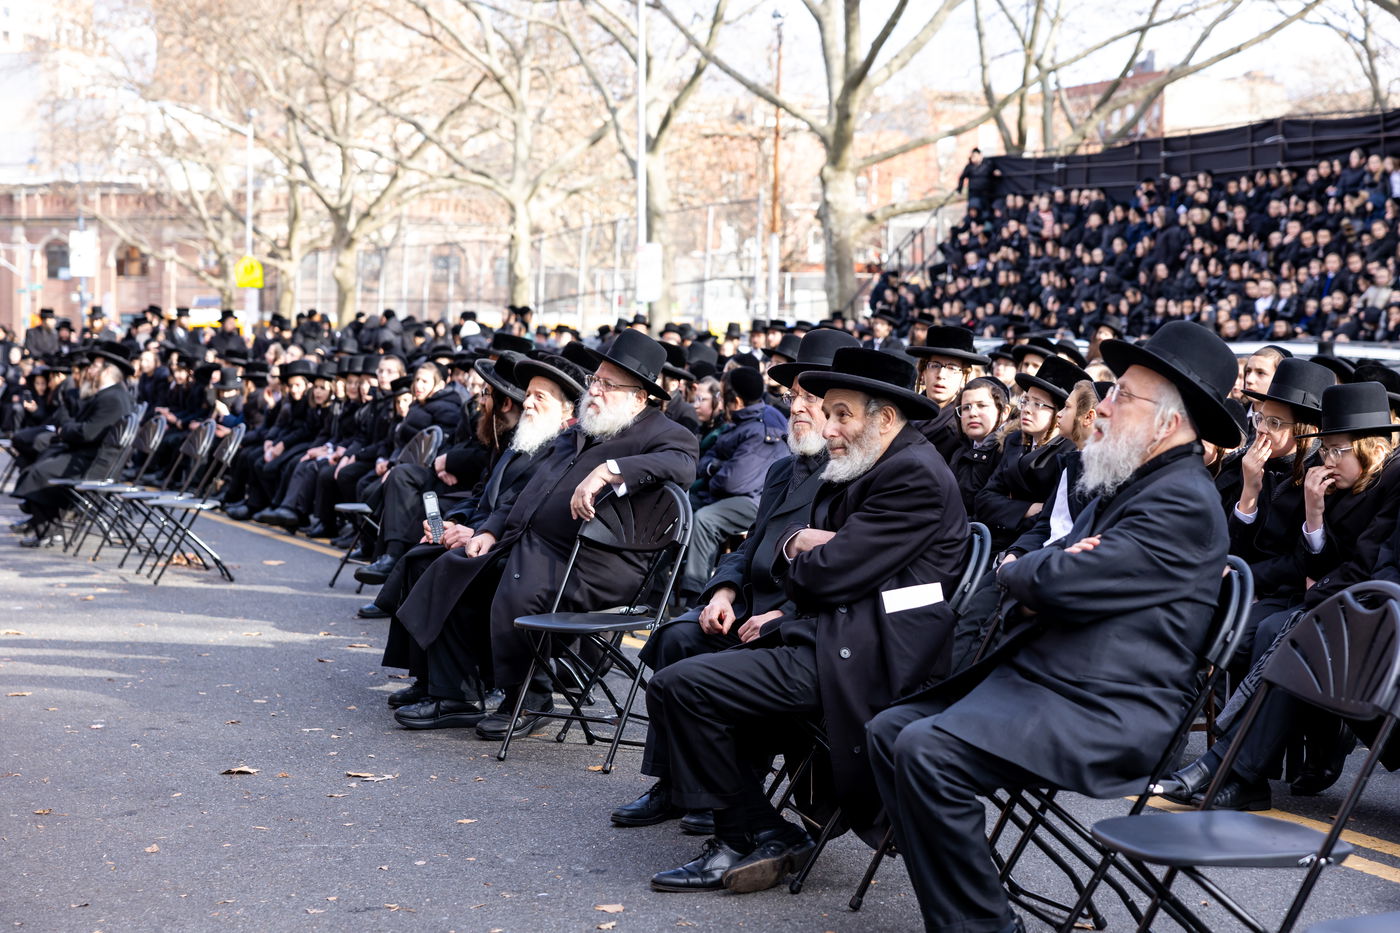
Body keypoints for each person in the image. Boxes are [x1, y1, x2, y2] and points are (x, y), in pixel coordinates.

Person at [866, 320, 1244, 933]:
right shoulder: (1131, 481)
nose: (1103, 406)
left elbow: (1052, 580)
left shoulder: (1181, 500)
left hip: (1109, 710)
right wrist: (1045, 570)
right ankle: (966, 888)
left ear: (1168, 423)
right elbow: (1047, 562)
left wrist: (1039, 574)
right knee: (890, 730)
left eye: (1122, 394)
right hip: (1051, 684)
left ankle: (983, 924)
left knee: (927, 751)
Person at [643, 347, 967, 894]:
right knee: (687, 659)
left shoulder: (911, 473)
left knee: (685, 687)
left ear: (884, 417)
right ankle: (756, 830)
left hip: (868, 654)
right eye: (827, 411)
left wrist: (798, 546)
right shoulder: (873, 463)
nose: (829, 426)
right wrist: (807, 551)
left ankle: (740, 836)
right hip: (829, 632)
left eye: (842, 414)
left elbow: (826, 575)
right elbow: (810, 568)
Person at [388, 330, 698, 737]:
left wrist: (609, 471)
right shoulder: (581, 428)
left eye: (608, 384)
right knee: (455, 563)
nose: (596, 391)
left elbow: (682, 464)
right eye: (596, 381)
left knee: (509, 577)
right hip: (539, 546)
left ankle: (529, 696)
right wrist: (489, 530)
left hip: (599, 564)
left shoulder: (663, 432)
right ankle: (455, 694)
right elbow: (524, 494)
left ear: (639, 397)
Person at [609, 328, 857, 834]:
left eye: (812, 399)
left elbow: (852, 572)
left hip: (799, 623)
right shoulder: (785, 470)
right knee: (677, 637)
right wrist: (721, 590)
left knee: (706, 665)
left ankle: (718, 791)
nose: (798, 409)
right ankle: (675, 785)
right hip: (748, 605)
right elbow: (748, 546)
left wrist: (782, 616)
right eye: (793, 397)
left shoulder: (854, 474)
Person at [678, 367, 788, 600]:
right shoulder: (742, 419)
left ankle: (695, 592)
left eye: (723, 395)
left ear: (736, 400)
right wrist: (713, 468)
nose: (720, 400)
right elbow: (706, 457)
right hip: (731, 492)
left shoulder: (762, 425)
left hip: (756, 500)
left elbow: (733, 482)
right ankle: (659, 584)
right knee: (676, 505)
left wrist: (713, 471)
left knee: (705, 519)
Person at [12, 341, 137, 546]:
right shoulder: (112, 394)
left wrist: (65, 428)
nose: (91, 370)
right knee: (42, 461)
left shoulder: (113, 397)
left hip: (92, 464)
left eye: (96, 366)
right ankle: (48, 529)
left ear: (107, 371)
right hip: (89, 456)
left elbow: (87, 432)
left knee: (38, 473)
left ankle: (49, 532)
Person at [907, 326, 991, 461]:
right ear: (922, 373)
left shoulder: (965, 427)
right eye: (934, 365)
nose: (941, 375)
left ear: (965, 378)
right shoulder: (903, 413)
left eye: (952, 368)